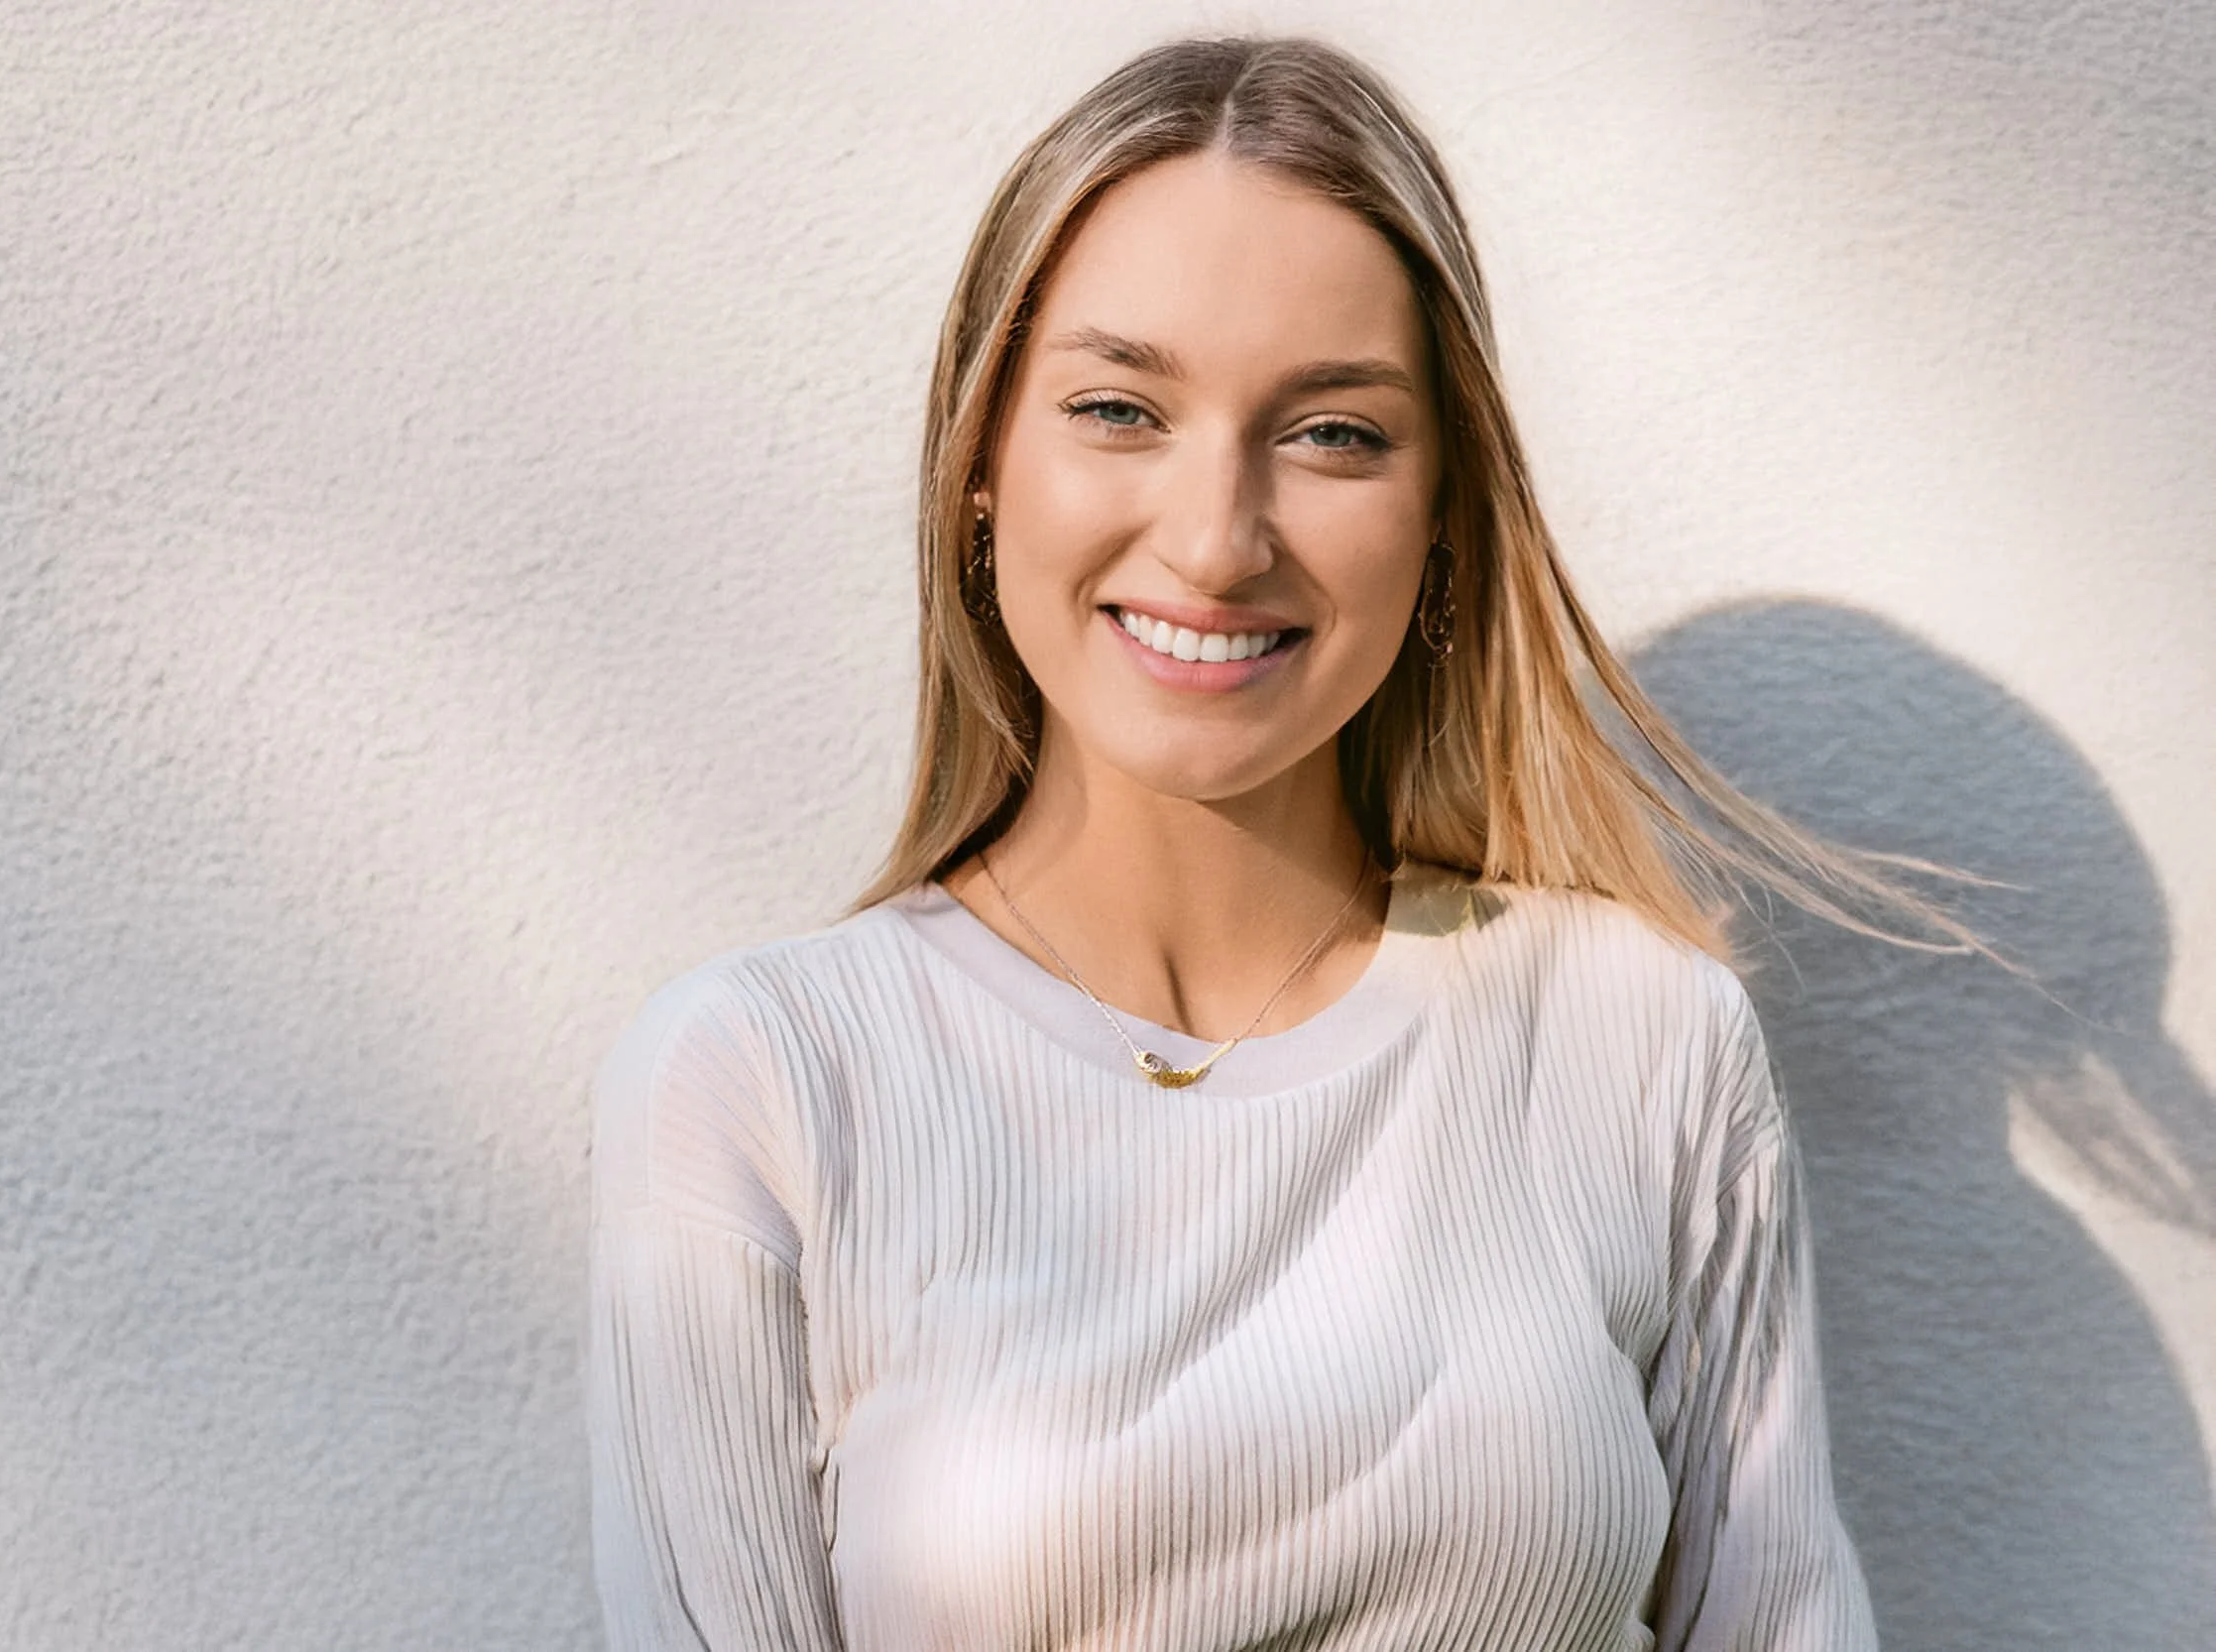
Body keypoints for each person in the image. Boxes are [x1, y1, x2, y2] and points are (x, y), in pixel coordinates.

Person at [590, 34, 1930, 1651]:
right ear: (980, 471)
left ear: (1445, 513)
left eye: (1334, 434)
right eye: (1117, 408)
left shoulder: (1639, 1034)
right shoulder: (765, 1078)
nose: (1218, 539)